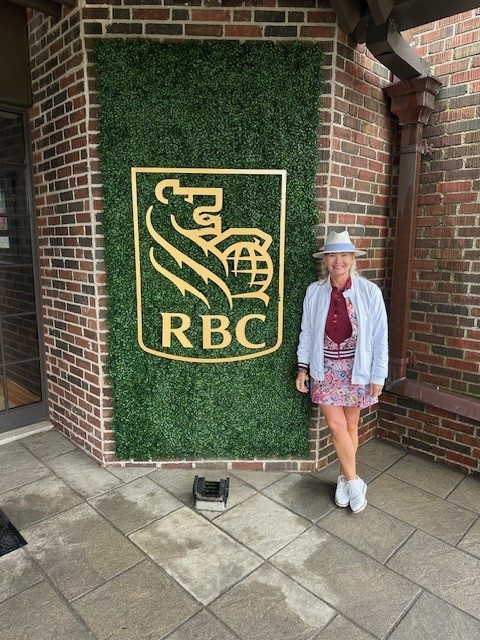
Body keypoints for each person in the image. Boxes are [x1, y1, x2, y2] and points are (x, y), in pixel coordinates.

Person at [296, 229, 388, 513]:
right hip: (325, 368)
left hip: (356, 368)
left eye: (344, 255)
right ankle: (355, 481)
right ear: (325, 260)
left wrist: (378, 376)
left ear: (352, 259)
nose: (339, 261)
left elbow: (380, 336)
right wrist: (302, 368)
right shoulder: (314, 291)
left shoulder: (369, 291)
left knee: (350, 427)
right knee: (336, 426)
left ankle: (344, 478)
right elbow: (307, 332)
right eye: (333, 255)